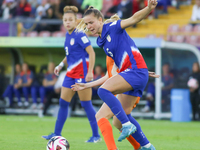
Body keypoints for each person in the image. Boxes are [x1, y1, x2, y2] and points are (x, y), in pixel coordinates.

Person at [75, 1, 158, 149]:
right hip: (134, 74)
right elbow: (112, 74)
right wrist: (87, 85)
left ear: (100, 19)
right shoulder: (101, 42)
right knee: (118, 121)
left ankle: (127, 127)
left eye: (91, 23)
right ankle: (146, 146)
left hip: (135, 72)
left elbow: (134, 19)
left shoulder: (113, 27)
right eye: (86, 24)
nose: (89, 27)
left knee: (103, 91)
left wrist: (148, 8)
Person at [72, 56, 159, 150]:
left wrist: (142, 72)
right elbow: (108, 76)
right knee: (118, 122)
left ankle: (139, 146)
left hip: (125, 88)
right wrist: (87, 85)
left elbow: (118, 75)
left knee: (103, 116)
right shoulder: (109, 52)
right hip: (118, 88)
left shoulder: (115, 49)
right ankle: (140, 146)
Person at [42, 5, 101, 143]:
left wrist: (90, 72)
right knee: (63, 103)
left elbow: (92, 53)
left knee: (86, 104)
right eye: (65, 20)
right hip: (70, 74)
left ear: (76, 21)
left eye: (70, 20)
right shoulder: (67, 35)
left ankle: (96, 135)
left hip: (82, 74)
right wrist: (61, 65)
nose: (67, 22)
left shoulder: (80, 34)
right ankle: (56, 134)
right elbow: (69, 55)